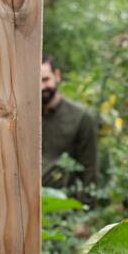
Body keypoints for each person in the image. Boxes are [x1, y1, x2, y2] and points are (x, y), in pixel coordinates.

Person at [41, 55, 100, 188]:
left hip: (63, 203)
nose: (41, 87)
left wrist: (87, 206)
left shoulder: (80, 117)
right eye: (35, 81)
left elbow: (89, 169)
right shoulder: (22, 117)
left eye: (45, 80)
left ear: (56, 76)